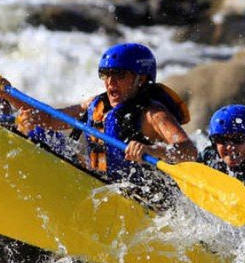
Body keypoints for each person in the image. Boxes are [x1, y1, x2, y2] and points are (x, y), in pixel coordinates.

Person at [13, 42, 197, 206]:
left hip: (137, 200)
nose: (110, 82)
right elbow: (51, 119)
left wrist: (151, 150)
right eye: (105, 75)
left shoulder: (153, 114)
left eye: (119, 75)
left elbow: (189, 151)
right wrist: (9, 95)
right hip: (97, 185)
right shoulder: (95, 104)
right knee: (35, 131)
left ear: (140, 80)